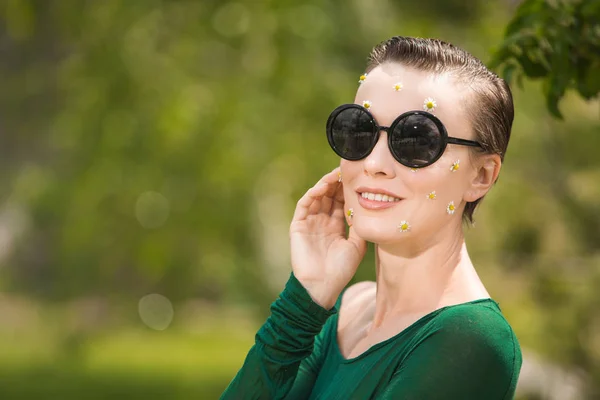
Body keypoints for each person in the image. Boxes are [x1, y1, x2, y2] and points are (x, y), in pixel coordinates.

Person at [221, 36, 522, 399]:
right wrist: (306, 299)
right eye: (359, 130)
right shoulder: (348, 306)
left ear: (482, 176)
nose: (374, 164)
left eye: (416, 140)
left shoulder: (473, 340)